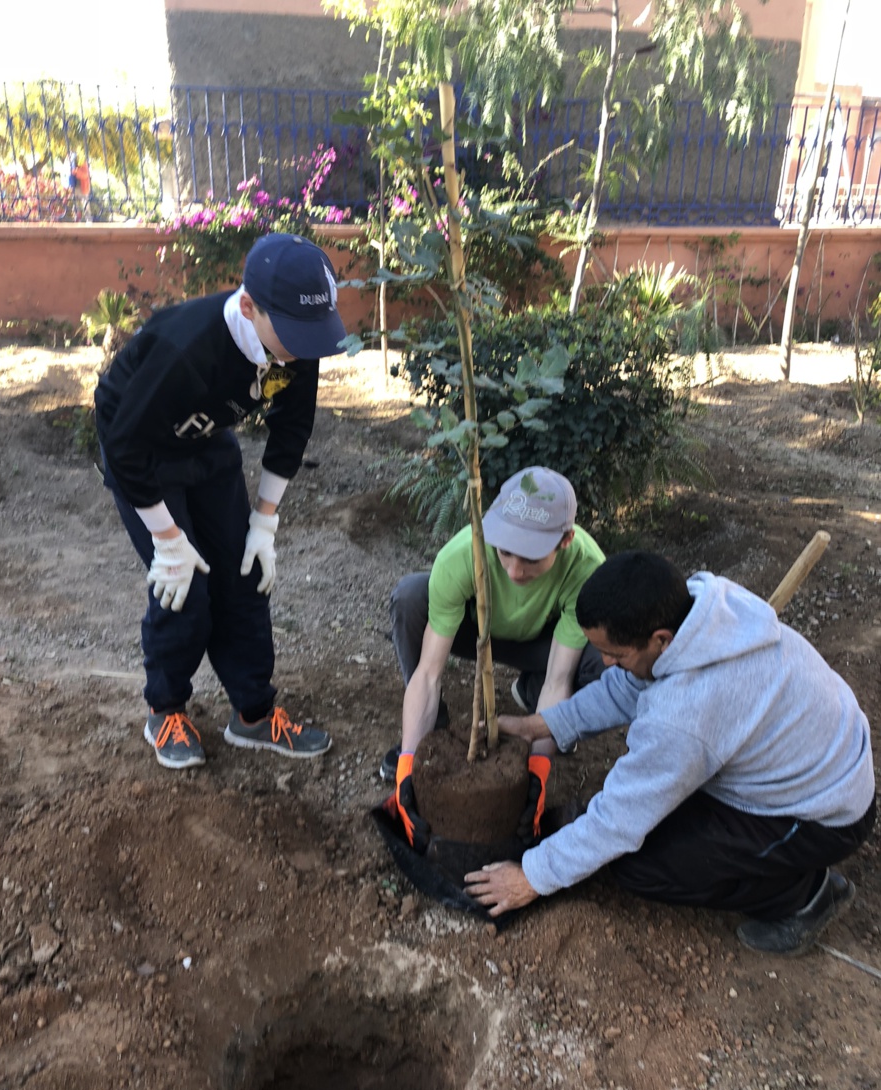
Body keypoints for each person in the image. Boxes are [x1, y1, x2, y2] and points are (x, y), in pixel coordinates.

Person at [465, 551, 876, 956]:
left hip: (820, 813)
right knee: (644, 804)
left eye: (615, 654)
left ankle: (804, 895)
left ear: (661, 640)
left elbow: (621, 822)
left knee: (638, 865)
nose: (605, 662)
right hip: (798, 758)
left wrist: (531, 878)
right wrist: (539, 725)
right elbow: (629, 685)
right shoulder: (702, 612)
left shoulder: (685, 713)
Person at [95, 232, 346, 769]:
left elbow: (292, 427)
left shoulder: (294, 340)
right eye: (296, 334)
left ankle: (253, 714)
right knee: (187, 585)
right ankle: (166, 710)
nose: (305, 348)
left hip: (205, 440)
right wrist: (168, 540)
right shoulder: (185, 346)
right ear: (250, 306)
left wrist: (265, 523)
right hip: (141, 450)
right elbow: (123, 445)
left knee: (245, 575)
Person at [382, 467, 606, 838]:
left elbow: (559, 678)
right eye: (505, 552)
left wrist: (536, 770)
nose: (515, 570)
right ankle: (431, 734)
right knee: (411, 596)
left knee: (603, 660)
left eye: (531, 559)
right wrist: (409, 765)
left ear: (565, 540)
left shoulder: (586, 569)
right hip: (474, 631)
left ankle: (533, 699)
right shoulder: (463, 555)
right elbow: (428, 673)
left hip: (543, 647)